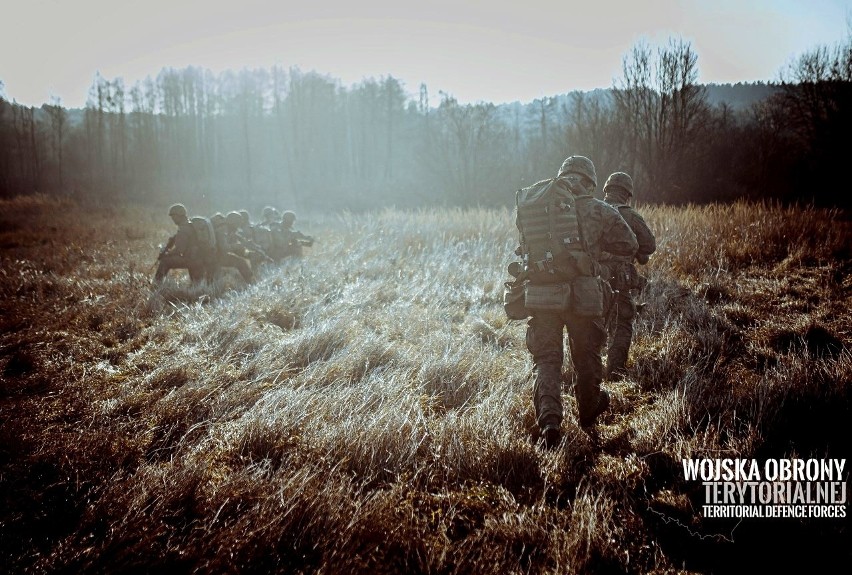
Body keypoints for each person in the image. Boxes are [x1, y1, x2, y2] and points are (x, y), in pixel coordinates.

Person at [514, 156, 637, 448]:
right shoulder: (598, 209)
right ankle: (589, 412)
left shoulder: (539, 205)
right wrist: (595, 256)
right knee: (586, 356)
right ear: (590, 182)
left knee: (546, 359)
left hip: (543, 293)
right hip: (583, 295)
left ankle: (550, 422)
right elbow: (630, 244)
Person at [601, 172, 657, 380]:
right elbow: (649, 245)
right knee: (622, 322)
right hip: (619, 278)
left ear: (606, 190)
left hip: (591, 276)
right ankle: (615, 373)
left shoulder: (592, 209)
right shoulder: (630, 216)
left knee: (589, 322)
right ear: (627, 194)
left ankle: (586, 372)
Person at [154, 203, 203, 284]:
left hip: (190, 259)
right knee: (196, 284)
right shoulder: (190, 225)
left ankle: (156, 285)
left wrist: (166, 254)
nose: (173, 219)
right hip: (197, 258)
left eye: (174, 216)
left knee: (165, 261)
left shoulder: (183, 229)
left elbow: (180, 250)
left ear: (179, 215)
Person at [211, 212, 254, 284]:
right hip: (215, 256)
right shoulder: (223, 230)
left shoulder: (230, 230)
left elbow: (237, 245)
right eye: (238, 223)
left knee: (243, 259)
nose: (239, 225)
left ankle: (250, 280)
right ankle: (251, 283)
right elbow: (224, 247)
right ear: (233, 222)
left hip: (218, 255)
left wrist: (247, 251)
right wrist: (239, 245)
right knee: (241, 262)